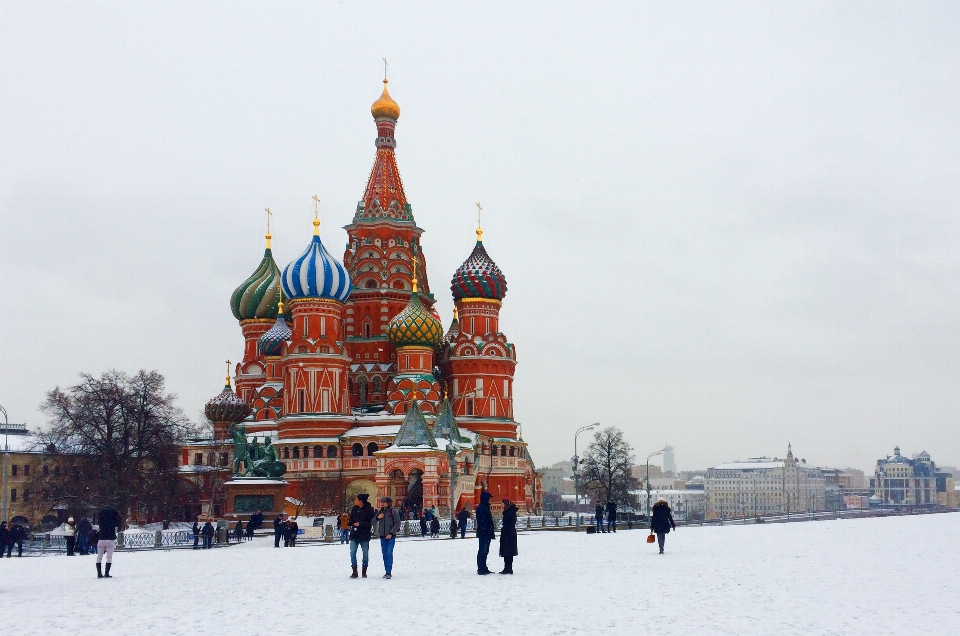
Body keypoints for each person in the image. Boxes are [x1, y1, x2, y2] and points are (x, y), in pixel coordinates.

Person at [348, 493, 375, 578]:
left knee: (365, 554)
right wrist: (351, 523)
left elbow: (370, 522)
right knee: (352, 553)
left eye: (356, 499)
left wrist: (360, 524)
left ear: (361, 501)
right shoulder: (354, 509)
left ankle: (364, 571)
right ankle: (354, 571)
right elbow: (351, 519)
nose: (354, 501)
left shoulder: (369, 510)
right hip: (354, 535)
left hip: (364, 535)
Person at [376, 497, 401, 579]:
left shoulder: (393, 511)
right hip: (382, 536)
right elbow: (373, 521)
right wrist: (378, 518)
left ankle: (389, 571)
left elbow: (397, 523)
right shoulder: (380, 511)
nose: (382, 504)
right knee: (384, 554)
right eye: (381, 502)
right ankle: (386, 570)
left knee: (389, 553)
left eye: (384, 502)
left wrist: (391, 533)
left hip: (390, 536)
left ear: (388, 503)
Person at [96, 507, 122, 578]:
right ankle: (107, 573)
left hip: (101, 539)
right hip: (110, 539)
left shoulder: (101, 521)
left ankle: (99, 573)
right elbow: (118, 526)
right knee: (109, 557)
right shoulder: (113, 521)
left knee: (99, 556)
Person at [475, 490, 495, 575]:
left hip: (486, 532)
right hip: (484, 532)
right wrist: (487, 529)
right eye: (489, 498)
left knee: (485, 550)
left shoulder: (485, 507)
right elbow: (483, 521)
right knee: (482, 550)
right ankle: (481, 568)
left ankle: (484, 567)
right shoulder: (482, 508)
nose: (490, 500)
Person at [499, 498, 518, 574]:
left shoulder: (509, 512)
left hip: (508, 533)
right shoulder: (510, 511)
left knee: (507, 551)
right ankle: (507, 568)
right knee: (508, 551)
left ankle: (508, 568)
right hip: (510, 533)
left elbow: (509, 523)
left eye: (504, 504)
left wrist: (505, 528)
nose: (503, 506)